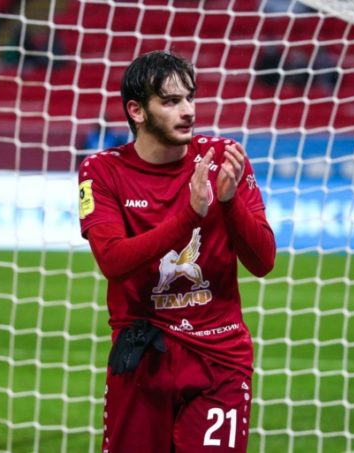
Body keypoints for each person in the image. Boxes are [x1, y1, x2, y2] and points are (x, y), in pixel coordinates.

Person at [77, 50, 276, 452]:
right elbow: (112, 260)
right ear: (137, 111)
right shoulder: (101, 171)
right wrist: (189, 216)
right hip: (143, 356)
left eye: (189, 98)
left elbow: (263, 262)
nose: (188, 111)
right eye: (170, 101)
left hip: (219, 356)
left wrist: (228, 203)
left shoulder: (224, 158)